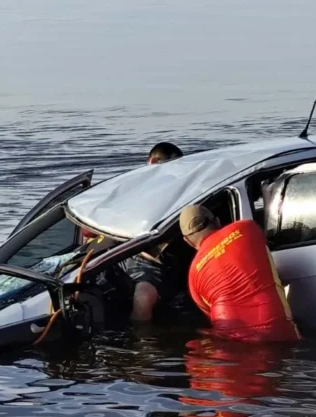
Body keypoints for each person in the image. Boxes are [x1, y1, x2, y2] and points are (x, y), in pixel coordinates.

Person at [179, 204, 300, 343]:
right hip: (279, 332)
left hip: (236, 344)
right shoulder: (248, 228)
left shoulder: (193, 275)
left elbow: (211, 314)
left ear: (187, 241)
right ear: (217, 221)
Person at [118, 142, 184, 321]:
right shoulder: (130, 188)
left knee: (144, 296)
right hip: (124, 252)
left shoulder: (182, 190)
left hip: (156, 259)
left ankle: (144, 344)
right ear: (153, 162)